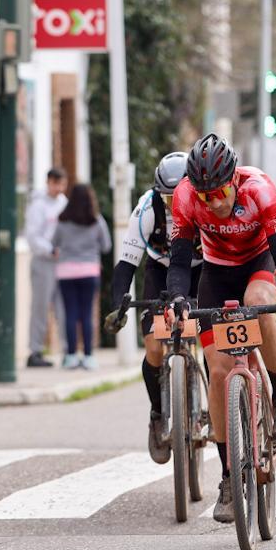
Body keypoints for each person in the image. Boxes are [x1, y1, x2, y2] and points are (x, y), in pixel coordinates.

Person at [165, 133, 276, 523]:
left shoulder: (259, 188)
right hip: (216, 273)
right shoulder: (185, 198)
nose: (214, 202)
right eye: (205, 195)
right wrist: (178, 298)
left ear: (234, 180)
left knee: (261, 305)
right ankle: (229, 478)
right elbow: (178, 264)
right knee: (218, 372)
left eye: (220, 193)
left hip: (256, 262)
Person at [104, 152, 202, 462]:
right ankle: (158, 412)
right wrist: (117, 304)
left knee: (212, 341)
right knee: (155, 349)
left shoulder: (202, 204)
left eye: (178, 196)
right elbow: (126, 264)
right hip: (160, 271)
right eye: (166, 196)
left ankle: (215, 404)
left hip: (200, 268)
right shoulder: (146, 209)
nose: (173, 203)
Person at [52, 184, 111, 370]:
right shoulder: (96, 220)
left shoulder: (62, 220)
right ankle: (88, 356)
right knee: (86, 315)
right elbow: (106, 246)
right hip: (89, 271)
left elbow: (54, 243)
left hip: (66, 272)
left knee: (70, 314)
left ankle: (70, 356)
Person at [25, 168, 69, 368]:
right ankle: (35, 351)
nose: (60, 188)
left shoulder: (63, 203)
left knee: (64, 307)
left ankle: (68, 350)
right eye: (57, 184)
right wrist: (50, 250)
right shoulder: (38, 206)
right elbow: (32, 236)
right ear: (49, 182)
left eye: (63, 184)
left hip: (62, 262)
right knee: (40, 307)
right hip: (44, 261)